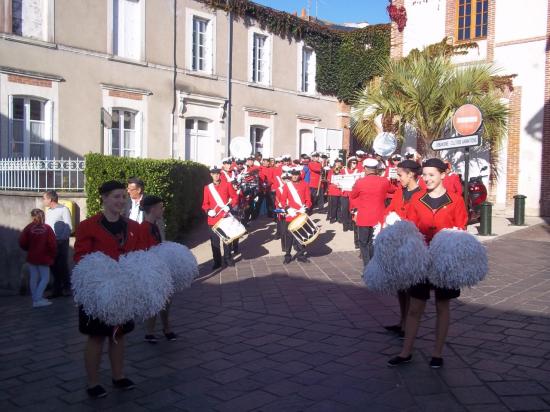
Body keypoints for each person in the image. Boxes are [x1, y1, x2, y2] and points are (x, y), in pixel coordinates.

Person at [387, 158, 468, 369]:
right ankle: (406, 352)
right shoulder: (417, 199)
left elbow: (461, 229)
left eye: (432, 174)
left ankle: (437, 353)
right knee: (415, 308)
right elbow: (411, 229)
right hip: (420, 260)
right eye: (425, 175)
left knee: (443, 306)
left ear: (443, 175)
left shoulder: (456, 200)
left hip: (444, 261)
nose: (427, 179)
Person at [74, 180, 141, 398]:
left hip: (122, 290)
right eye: (116, 196)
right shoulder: (88, 226)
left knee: (119, 335)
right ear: (103, 198)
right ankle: (93, 382)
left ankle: (118, 376)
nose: (121, 201)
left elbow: (139, 255)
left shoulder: (132, 227)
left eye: (123, 196)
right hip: (96, 292)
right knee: (96, 337)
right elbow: (80, 258)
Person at [383, 160, 424, 338]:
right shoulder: (400, 191)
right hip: (397, 242)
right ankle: (402, 320)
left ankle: (409, 323)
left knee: (409, 286)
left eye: (400, 175)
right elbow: (390, 209)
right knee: (400, 286)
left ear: (411, 174)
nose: (398, 179)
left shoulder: (423, 193)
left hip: (413, 244)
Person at [138, 195, 177, 344]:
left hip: (160, 266)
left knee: (166, 300)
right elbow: (145, 250)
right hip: (152, 268)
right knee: (154, 301)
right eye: (161, 207)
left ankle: (166, 328)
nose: (163, 209)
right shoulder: (144, 228)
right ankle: (150, 331)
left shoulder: (155, 225)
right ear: (153, 209)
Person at [350, 158, 393, 266]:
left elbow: (353, 195)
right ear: (376, 169)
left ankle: (368, 265)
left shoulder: (360, 182)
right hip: (378, 217)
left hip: (364, 217)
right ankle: (375, 264)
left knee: (363, 242)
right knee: (375, 242)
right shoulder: (384, 181)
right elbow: (393, 190)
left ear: (365, 169)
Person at [202, 166, 239, 269]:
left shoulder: (227, 185)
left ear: (220, 174)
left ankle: (228, 259)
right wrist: (209, 211)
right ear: (211, 175)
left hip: (224, 217)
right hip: (213, 219)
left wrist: (230, 206)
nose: (216, 175)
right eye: (214, 174)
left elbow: (235, 197)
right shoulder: (207, 188)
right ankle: (217, 261)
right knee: (215, 242)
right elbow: (205, 204)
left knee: (227, 240)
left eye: (217, 173)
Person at [19, 209, 57, 308]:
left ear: (32, 217)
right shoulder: (47, 228)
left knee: (34, 277)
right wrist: (52, 255)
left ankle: (36, 299)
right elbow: (52, 244)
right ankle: (37, 299)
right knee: (45, 278)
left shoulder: (28, 228)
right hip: (44, 257)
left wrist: (29, 249)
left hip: (32, 256)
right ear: (43, 216)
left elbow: (22, 242)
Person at [43, 190, 72, 297]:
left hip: (61, 242)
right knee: (53, 265)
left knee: (62, 265)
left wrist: (61, 239)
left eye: (44, 198)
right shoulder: (49, 211)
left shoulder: (63, 210)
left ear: (50, 199)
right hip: (50, 242)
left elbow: (69, 226)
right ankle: (57, 289)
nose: (43, 200)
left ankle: (66, 288)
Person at [280, 167, 312, 264]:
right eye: (293, 175)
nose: (294, 176)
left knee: (301, 235)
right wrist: (287, 208)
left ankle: (301, 255)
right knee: (289, 236)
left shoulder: (305, 185)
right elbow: (282, 200)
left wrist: (305, 207)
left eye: (296, 174)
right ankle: (287, 255)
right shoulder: (287, 186)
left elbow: (308, 200)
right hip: (291, 213)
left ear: (299, 175)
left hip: (301, 213)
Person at [340, 156, 359, 232]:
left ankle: (351, 224)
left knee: (352, 210)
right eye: (354, 163)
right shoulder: (343, 170)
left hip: (353, 194)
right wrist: (339, 184)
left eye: (356, 163)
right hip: (345, 193)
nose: (355, 164)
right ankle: (345, 225)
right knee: (344, 210)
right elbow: (339, 179)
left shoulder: (358, 171)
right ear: (349, 163)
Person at [326, 159, 343, 223]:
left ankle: (339, 218)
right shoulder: (331, 170)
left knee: (339, 206)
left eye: (339, 163)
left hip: (340, 191)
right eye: (337, 163)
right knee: (333, 206)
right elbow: (329, 179)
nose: (338, 164)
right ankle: (332, 218)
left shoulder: (342, 171)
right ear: (335, 163)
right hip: (333, 190)